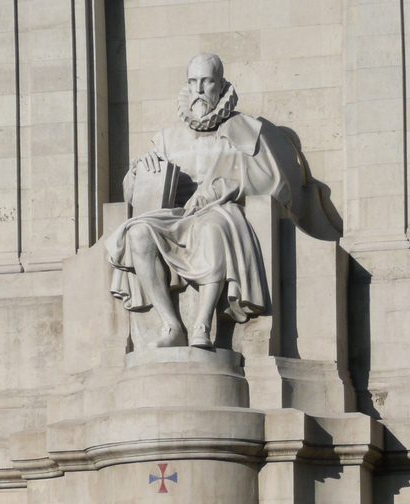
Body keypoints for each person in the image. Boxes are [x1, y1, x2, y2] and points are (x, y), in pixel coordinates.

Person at [106, 52, 296, 349]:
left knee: (213, 228)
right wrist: (137, 172)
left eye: (207, 81)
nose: (198, 90)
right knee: (138, 233)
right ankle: (171, 324)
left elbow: (275, 184)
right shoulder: (167, 137)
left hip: (217, 212)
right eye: (193, 82)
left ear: (221, 86)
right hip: (176, 217)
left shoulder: (243, 128)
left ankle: (203, 324)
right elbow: (133, 195)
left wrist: (222, 188)